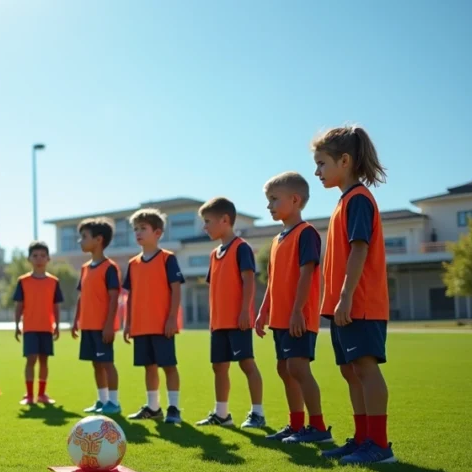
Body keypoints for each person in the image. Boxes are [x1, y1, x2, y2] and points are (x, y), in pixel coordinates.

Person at [313, 125, 396, 464]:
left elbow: (359, 250)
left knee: (365, 368)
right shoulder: (342, 202)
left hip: (360, 304)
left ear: (344, 160)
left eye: (321, 164)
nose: (317, 172)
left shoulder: (358, 200)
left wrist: (346, 296)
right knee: (351, 371)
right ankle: (363, 439)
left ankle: (379, 444)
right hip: (343, 306)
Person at [255, 172, 332, 444]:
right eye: (268, 200)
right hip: (279, 318)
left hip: (298, 317)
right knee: (284, 369)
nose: (269, 206)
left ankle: (319, 427)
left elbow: (307, 272)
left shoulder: (307, 233)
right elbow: (273, 282)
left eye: (274, 199)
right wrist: (263, 311)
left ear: (295, 200)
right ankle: (296, 425)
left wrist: (298, 310)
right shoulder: (277, 240)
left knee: (299, 369)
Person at [196, 197, 266, 428]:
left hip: (238, 321)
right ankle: (222, 414)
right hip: (219, 323)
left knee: (246, 364)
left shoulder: (241, 248)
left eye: (207, 221)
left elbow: (248, 281)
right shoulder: (213, 254)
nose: (204, 227)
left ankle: (257, 413)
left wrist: (246, 311)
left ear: (225, 220)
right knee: (219, 366)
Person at [122, 209, 185, 424]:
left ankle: (174, 408)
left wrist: (171, 319)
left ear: (157, 232)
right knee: (148, 367)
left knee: (168, 366)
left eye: (143, 228)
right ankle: (153, 407)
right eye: (135, 229)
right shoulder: (132, 264)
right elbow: (130, 296)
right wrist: (128, 323)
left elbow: (176, 291)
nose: (138, 233)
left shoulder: (168, 259)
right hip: (140, 326)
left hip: (162, 325)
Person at [70, 217, 122, 415]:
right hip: (88, 326)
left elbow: (114, 297)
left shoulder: (109, 267)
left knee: (107, 363)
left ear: (98, 240)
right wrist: (76, 321)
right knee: (96, 363)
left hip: (102, 327)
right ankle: (102, 401)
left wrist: (109, 325)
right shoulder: (84, 268)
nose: (80, 241)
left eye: (84, 237)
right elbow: (82, 296)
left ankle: (114, 403)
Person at [13, 241, 63, 405]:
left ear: (48, 258)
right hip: (30, 328)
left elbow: (56, 306)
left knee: (44, 360)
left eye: (42, 255)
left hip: (46, 327)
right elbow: (19, 305)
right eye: (35, 256)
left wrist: (57, 325)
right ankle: (29, 395)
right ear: (29, 259)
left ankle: (42, 394)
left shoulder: (54, 282)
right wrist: (16, 325)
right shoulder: (23, 281)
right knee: (30, 359)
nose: (39, 259)